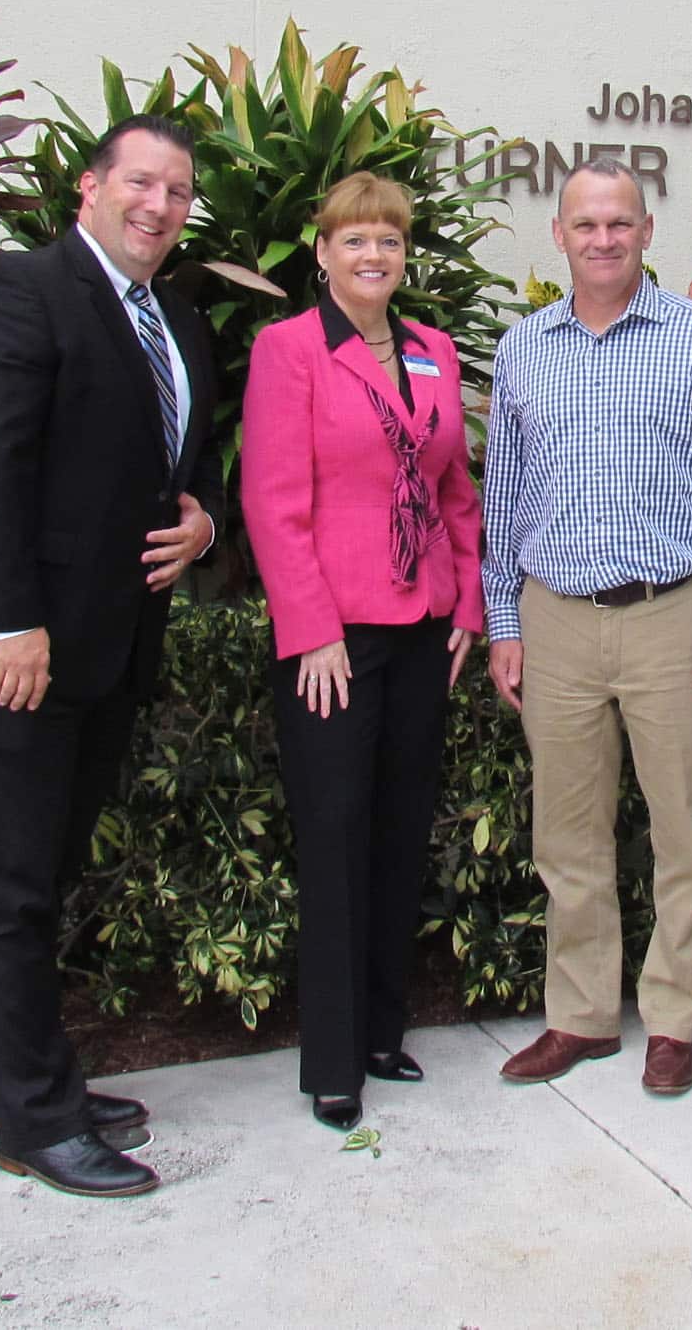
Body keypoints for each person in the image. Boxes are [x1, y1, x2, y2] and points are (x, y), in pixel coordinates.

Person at [0, 115, 221, 1197]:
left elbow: (182, 463)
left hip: (104, 651)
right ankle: (33, 1123)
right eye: (141, 182)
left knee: (43, 878)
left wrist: (205, 523)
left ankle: (25, 1080)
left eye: (178, 191)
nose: (159, 204)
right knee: (5, 888)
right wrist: (11, 624)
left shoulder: (175, 317)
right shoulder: (22, 289)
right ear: (90, 187)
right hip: (17, 650)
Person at [481, 158, 692, 1097]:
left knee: (682, 824)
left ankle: (676, 1017)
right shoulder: (525, 347)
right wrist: (503, 622)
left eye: (620, 224)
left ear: (648, 232)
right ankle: (582, 1015)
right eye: (584, 225)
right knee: (566, 833)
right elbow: (504, 501)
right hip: (555, 618)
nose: (602, 240)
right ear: (558, 237)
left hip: (671, 616)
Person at [239, 172, 482, 1133]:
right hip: (332, 642)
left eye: (387, 240)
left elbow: (455, 486)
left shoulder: (432, 350)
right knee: (336, 838)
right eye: (354, 241)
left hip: (424, 626)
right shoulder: (289, 351)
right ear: (323, 251)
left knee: (397, 829)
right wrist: (310, 631)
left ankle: (384, 1032)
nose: (372, 255)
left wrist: (464, 603)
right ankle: (334, 1063)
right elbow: (272, 498)